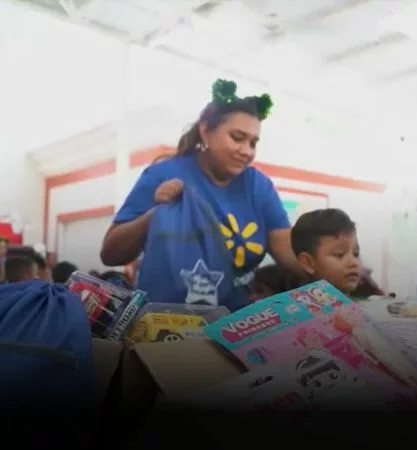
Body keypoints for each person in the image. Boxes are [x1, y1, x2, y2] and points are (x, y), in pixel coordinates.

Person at [100, 79, 302, 308]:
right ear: (205, 131)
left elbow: (287, 251)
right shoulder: (162, 175)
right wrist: (155, 215)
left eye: (253, 143)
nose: (247, 151)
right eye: (237, 138)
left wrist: (330, 272)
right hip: (165, 326)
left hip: (232, 327)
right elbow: (110, 254)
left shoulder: (258, 186)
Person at [290, 208, 362, 296]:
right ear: (308, 263)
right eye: (339, 255)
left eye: (356, 254)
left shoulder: (368, 304)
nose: (354, 263)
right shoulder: (293, 308)